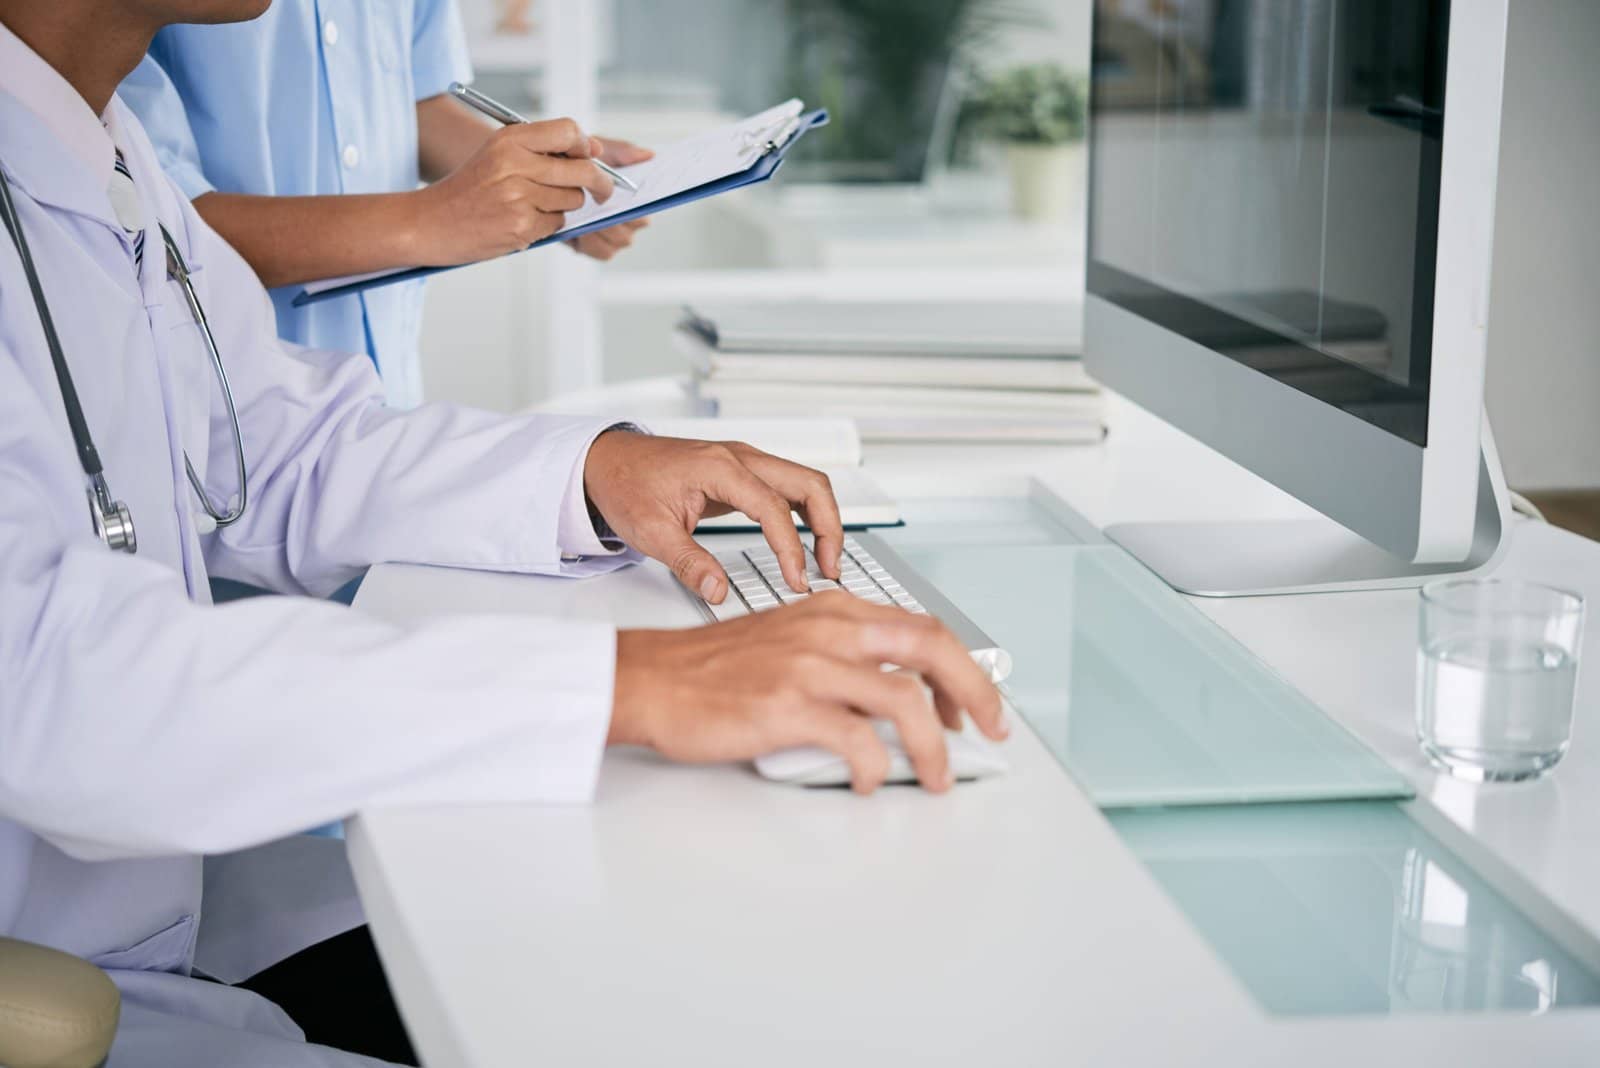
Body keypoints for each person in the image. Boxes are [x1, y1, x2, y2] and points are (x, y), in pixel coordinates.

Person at [0, 3, 1007, 1066]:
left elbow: (274, 454)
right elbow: (52, 682)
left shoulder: (96, 152)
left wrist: (597, 471)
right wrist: (634, 684)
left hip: (152, 916)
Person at [117, 0, 652, 410]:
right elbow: (149, 216)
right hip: (227, 390)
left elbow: (414, 103)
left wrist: (553, 178)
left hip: (387, 385)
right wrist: (431, 221)